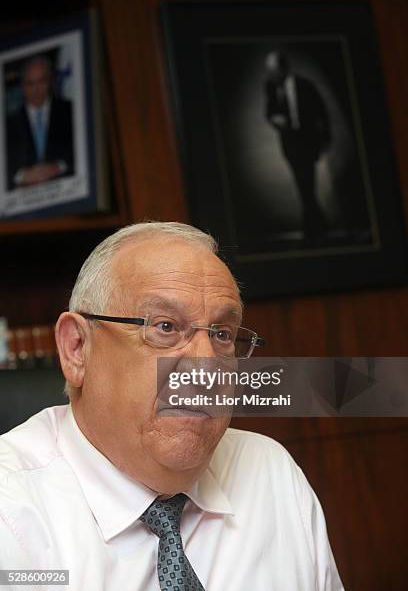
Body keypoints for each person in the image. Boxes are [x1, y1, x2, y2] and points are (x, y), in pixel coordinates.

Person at [0, 222, 344, 590]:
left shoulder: (269, 473)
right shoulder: (13, 515)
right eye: (165, 327)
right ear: (77, 349)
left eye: (222, 335)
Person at [265, 51, 331, 241]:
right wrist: (275, 119)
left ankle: (312, 228)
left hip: (308, 140)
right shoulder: (270, 87)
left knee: (307, 183)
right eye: (269, 71)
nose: (271, 75)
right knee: (303, 184)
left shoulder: (304, 85)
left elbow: (321, 111)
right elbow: (269, 112)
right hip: (289, 143)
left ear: (283, 68)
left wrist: (325, 139)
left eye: (274, 70)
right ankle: (317, 226)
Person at [6, 56, 74, 190]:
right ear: (22, 87)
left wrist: (59, 167)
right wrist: (22, 176)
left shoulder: (70, 111)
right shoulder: (7, 125)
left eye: (41, 81)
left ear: (50, 82)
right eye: (30, 83)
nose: (36, 89)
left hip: (65, 189)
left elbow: (81, 153)